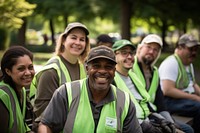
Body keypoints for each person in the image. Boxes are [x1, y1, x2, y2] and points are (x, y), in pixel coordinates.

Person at [37, 45, 142, 133]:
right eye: (96, 66)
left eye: (108, 67)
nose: (102, 71)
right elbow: (45, 125)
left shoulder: (124, 101)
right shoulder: (66, 92)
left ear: (114, 71)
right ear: (87, 69)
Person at [112, 39, 186, 133]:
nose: (130, 56)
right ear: (114, 55)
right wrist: (144, 125)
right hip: (135, 126)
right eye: (124, 53)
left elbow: (145, 102)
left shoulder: (133, 76)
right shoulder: (112, 79)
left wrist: (160, 118)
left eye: (131, 53)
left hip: (149, 119)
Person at [30, 22, 90, 131]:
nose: (78, 42)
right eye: (73, 38)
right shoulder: (51, 71)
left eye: (82, 39)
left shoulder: (84, 69)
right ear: (63, 40)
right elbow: (43, 113)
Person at [132, 34, 194, 133]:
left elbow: (160, 101)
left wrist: (169, 120)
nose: (152, 51)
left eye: (156, 49)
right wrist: (161, 119)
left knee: (187, 129)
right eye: (148, 47)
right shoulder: (130, 67)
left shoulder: (155, 71)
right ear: (140, 48)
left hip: (155, 114)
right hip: (142, 117)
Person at [159, 33, 200, 133]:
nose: (194, 52)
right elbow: (167, 90)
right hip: (170, 101)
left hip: (184, 100)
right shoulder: (171, 63)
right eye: (190, 49)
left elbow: (193, 84)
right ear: (180, 47)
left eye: (196, 49)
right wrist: (195, 98)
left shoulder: (187, 63)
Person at [0, 46, 35, 133]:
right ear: (8, 71)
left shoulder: (21, 90)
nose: (28, 73)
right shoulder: (2, 95)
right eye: (21, 69)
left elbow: (22, 127)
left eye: (30, 67)